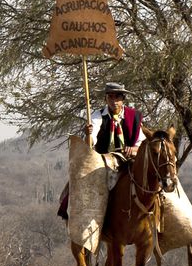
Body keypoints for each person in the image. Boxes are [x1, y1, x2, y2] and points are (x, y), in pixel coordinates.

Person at [57, 82, 145, 219]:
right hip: (104, 161)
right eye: (110, 97)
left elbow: (141, 143)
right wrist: (88, 134)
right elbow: (91, 143)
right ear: (106, 99)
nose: (114, 101)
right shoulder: (97, 117)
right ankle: (78, 214)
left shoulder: (134, 116)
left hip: (128, 159)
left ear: (123, 99)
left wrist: (133, 149)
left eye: (117, 97)